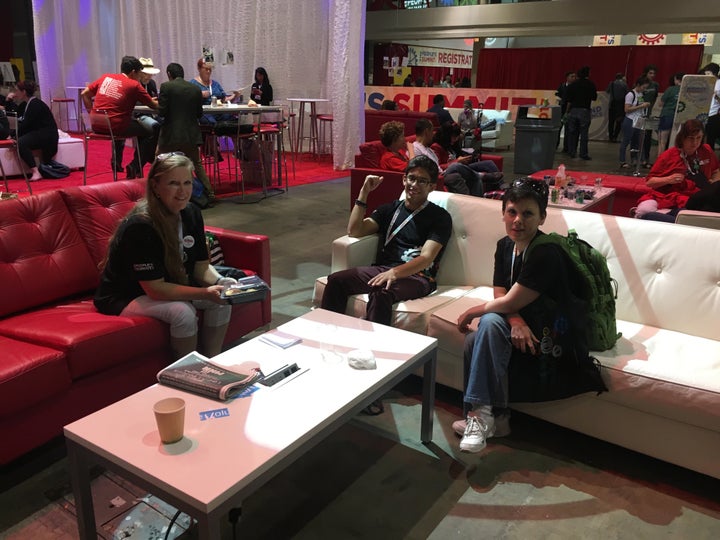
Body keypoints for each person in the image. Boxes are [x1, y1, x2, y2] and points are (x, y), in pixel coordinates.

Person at [453, 180, 605, 453]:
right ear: (502, 214)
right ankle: (495, 419)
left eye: (528, 213)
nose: (517, 220)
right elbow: (502, 292)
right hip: (526, 321)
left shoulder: (546, 252)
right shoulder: (504, 246)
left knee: (484, 324)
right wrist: (516, 321)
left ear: (542, 217)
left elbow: (509, 300)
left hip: (553, 331)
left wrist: (470, 311)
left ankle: (481, 416)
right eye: (512, 212)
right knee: (474, 340)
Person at [94, 153, 235, 360]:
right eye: (173, 183)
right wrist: (205, 292)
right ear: (155, 186)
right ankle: (188, 374)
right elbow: (155, 289)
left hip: (167, 284)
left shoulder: (191, 213)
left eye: (187, 182)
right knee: (182, 312)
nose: (183, 191)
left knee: (221, 300)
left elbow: (201, 267)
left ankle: (213, 361)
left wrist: (221, 283)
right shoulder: (142, 225)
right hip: (125, 295)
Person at [320, 156, 452, 326]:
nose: (414, 185)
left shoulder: (440, 217)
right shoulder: (390, 209)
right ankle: (326, 332)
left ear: (432, 186)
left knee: (382, 291)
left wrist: (395, 273)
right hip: (383, 269)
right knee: (337, 280)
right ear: (404, 179)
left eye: (422, 181)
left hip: (419, 277)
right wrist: (364, 193)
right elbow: (355, 230)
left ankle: (375, 347)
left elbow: (426, 258)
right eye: (411, 178)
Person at [82, 55, 159, 179]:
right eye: (139, 74)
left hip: (96, 124)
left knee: (137, 126)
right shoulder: (133, 84)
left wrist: (91, 112)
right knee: (151, 130)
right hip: (116, 125)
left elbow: (84, 94)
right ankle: (136, 165)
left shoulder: (105, 77)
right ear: (134, 72)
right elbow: (154, 106)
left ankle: (136, 165)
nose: (140, 77)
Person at [634, 119, 720, 222]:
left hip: (697, 198)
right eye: (691, 138)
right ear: (682, 138)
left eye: (699, 138)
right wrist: (668, 179)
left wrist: (713, 184)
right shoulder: (668, 155)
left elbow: (716, 170)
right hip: (666, 196)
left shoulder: (706, 150)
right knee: (644, 211)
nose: (695, 142)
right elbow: (650, 182)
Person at [157, 62, 216, 205]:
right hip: (191, 135)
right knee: (197, 164)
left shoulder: (166, 87)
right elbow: (199, 113)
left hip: (171, 135)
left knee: (159, 161)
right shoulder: (195, 89)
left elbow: (162, 112)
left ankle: (157, 193)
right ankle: (210, 193)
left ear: (169, 75)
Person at [10, 80, 58, 182]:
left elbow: (26, 125)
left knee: (22, 143)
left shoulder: (35, 104)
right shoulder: (26, 104)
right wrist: (8, 101)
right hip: (41, 132)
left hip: (47, 135)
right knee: (22, 140)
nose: (15, 93)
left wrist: (13, 136)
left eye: (17, 91)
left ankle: (35, 171)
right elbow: (16, 117)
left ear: (24, 92)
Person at [564, 66, 597, 160]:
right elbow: (594, 97)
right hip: (584, 110)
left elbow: (568, 100)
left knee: (572, 132)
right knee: (584, 133)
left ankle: (572, 152)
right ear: (588, 74)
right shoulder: (590, 84)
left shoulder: (572, 85)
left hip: (573, 110)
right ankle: (583, 154)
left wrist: (567, 112)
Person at [619, 76, 651, 169]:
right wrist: (641, 106)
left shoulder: (640, 94)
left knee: (638, 141)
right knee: (626, 141)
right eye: (643, 87)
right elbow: (627, 109)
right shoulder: (630, 94)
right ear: (638, 85)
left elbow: (640, 105)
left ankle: (636, 160)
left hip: (638, 120)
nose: (644, 89)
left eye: (646, 88)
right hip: (630, 120)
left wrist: (645, 105)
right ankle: (622, 161)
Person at [657, 73, 683, 155]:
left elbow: (660, 103)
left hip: (667, 115)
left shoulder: (670, 89)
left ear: (677, 79)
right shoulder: (686, 90)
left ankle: (660, 162)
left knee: (662, 141)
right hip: (679, 117)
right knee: (676, 142)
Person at [640, 65, 660, 167]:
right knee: (639, 137)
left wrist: (650, 108)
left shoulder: (655, 85)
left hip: (649, 113)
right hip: (639, 113)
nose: (652, 75)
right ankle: (638, 158)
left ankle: (646, 159)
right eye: (650, 73)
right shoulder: (640, 82)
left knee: (647, 137)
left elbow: (655, 98)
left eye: (654, 73)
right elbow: (637, 95)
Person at [556, 70, 577, 151]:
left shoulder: (575, 87)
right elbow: (557, 95)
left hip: (571, 111)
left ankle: (566, 148)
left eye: (575, 76)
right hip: (561, 110)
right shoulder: (562, 86)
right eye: (572, 76)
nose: (574, 78)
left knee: (569, 130)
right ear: (567, 77)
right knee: (558, 128)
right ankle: (555, 145)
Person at [702, 63, 720, 152]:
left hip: (714, 114)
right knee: (702, 137)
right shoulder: (708, 83)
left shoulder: (719, 83)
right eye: (706, 74)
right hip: (704, 113)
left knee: (710, 139)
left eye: (709, 74)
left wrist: (717, 97)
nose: (707, 76)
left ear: (715, 73)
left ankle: (710, 160)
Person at [606, 72, 628, 142]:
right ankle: (615, 137)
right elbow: (627, 93)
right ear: (622, 77)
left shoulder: (611, 83)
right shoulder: (624, 84)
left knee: (611, 122)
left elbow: (607, 91)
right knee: (619, 122)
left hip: (612, 105)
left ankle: (610, 137)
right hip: (620, 106)